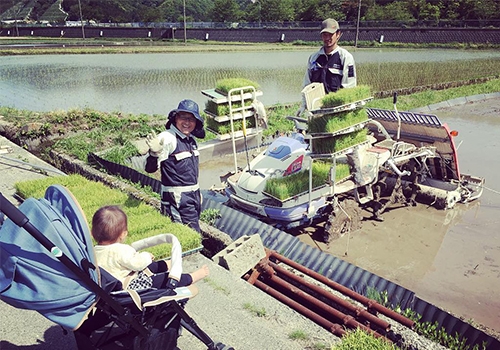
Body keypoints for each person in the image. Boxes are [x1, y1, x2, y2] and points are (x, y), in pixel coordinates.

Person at [91, 205, 209, 290]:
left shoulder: (93, 251)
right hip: (130, 286)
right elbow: (137, 264)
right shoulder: (120, 250)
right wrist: (147, 256)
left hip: (114, 284)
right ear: (123, 234)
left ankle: (168, 264)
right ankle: (193, 276)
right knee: (162, 278)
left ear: (92, 233)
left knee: (149, 267)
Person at [145, 99, 205, 233]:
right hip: (177, 197)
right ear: (175, 118)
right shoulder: (168, 138)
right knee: (189, 234)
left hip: (193, 195)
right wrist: (154, 153)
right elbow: (150, 168)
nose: (187, 122)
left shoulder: (191, 139)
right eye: (183, 117)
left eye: (191, 119)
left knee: (191, 231)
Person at [298, 18, 357, 114]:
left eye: (331, 34)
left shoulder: (345, 57)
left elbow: (349, 87)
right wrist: (304, 105)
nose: (327, 38)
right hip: (316, 109)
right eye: (325, 35)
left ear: (338, 34)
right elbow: (307, 85)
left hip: (337, 109)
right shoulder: (313, 58)